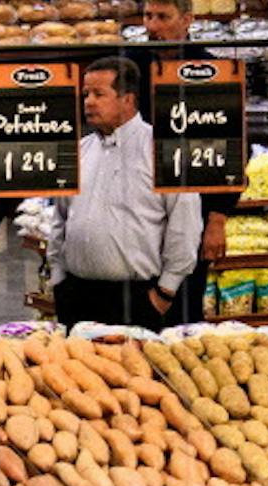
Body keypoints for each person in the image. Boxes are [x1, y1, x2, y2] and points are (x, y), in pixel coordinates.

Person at [36, 56, 200, 329]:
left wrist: (164, 292)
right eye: (86, 93)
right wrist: (58, 277)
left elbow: (185, 225)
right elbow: (60, 219)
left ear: (128, 99)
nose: (88, 101)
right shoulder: (79, 150)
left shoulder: (163, 150)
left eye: (99, 94)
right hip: (77, 295)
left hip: (137, 298)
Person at [141, 0, 240, 267]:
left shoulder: (215, 72)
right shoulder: (130, 67)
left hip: (194, 214)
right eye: (148, 16)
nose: (153, 26)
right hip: (138, 213)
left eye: (163, 17)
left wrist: (218, 220)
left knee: (187, 303)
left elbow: (231, 153)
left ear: (187, 20)